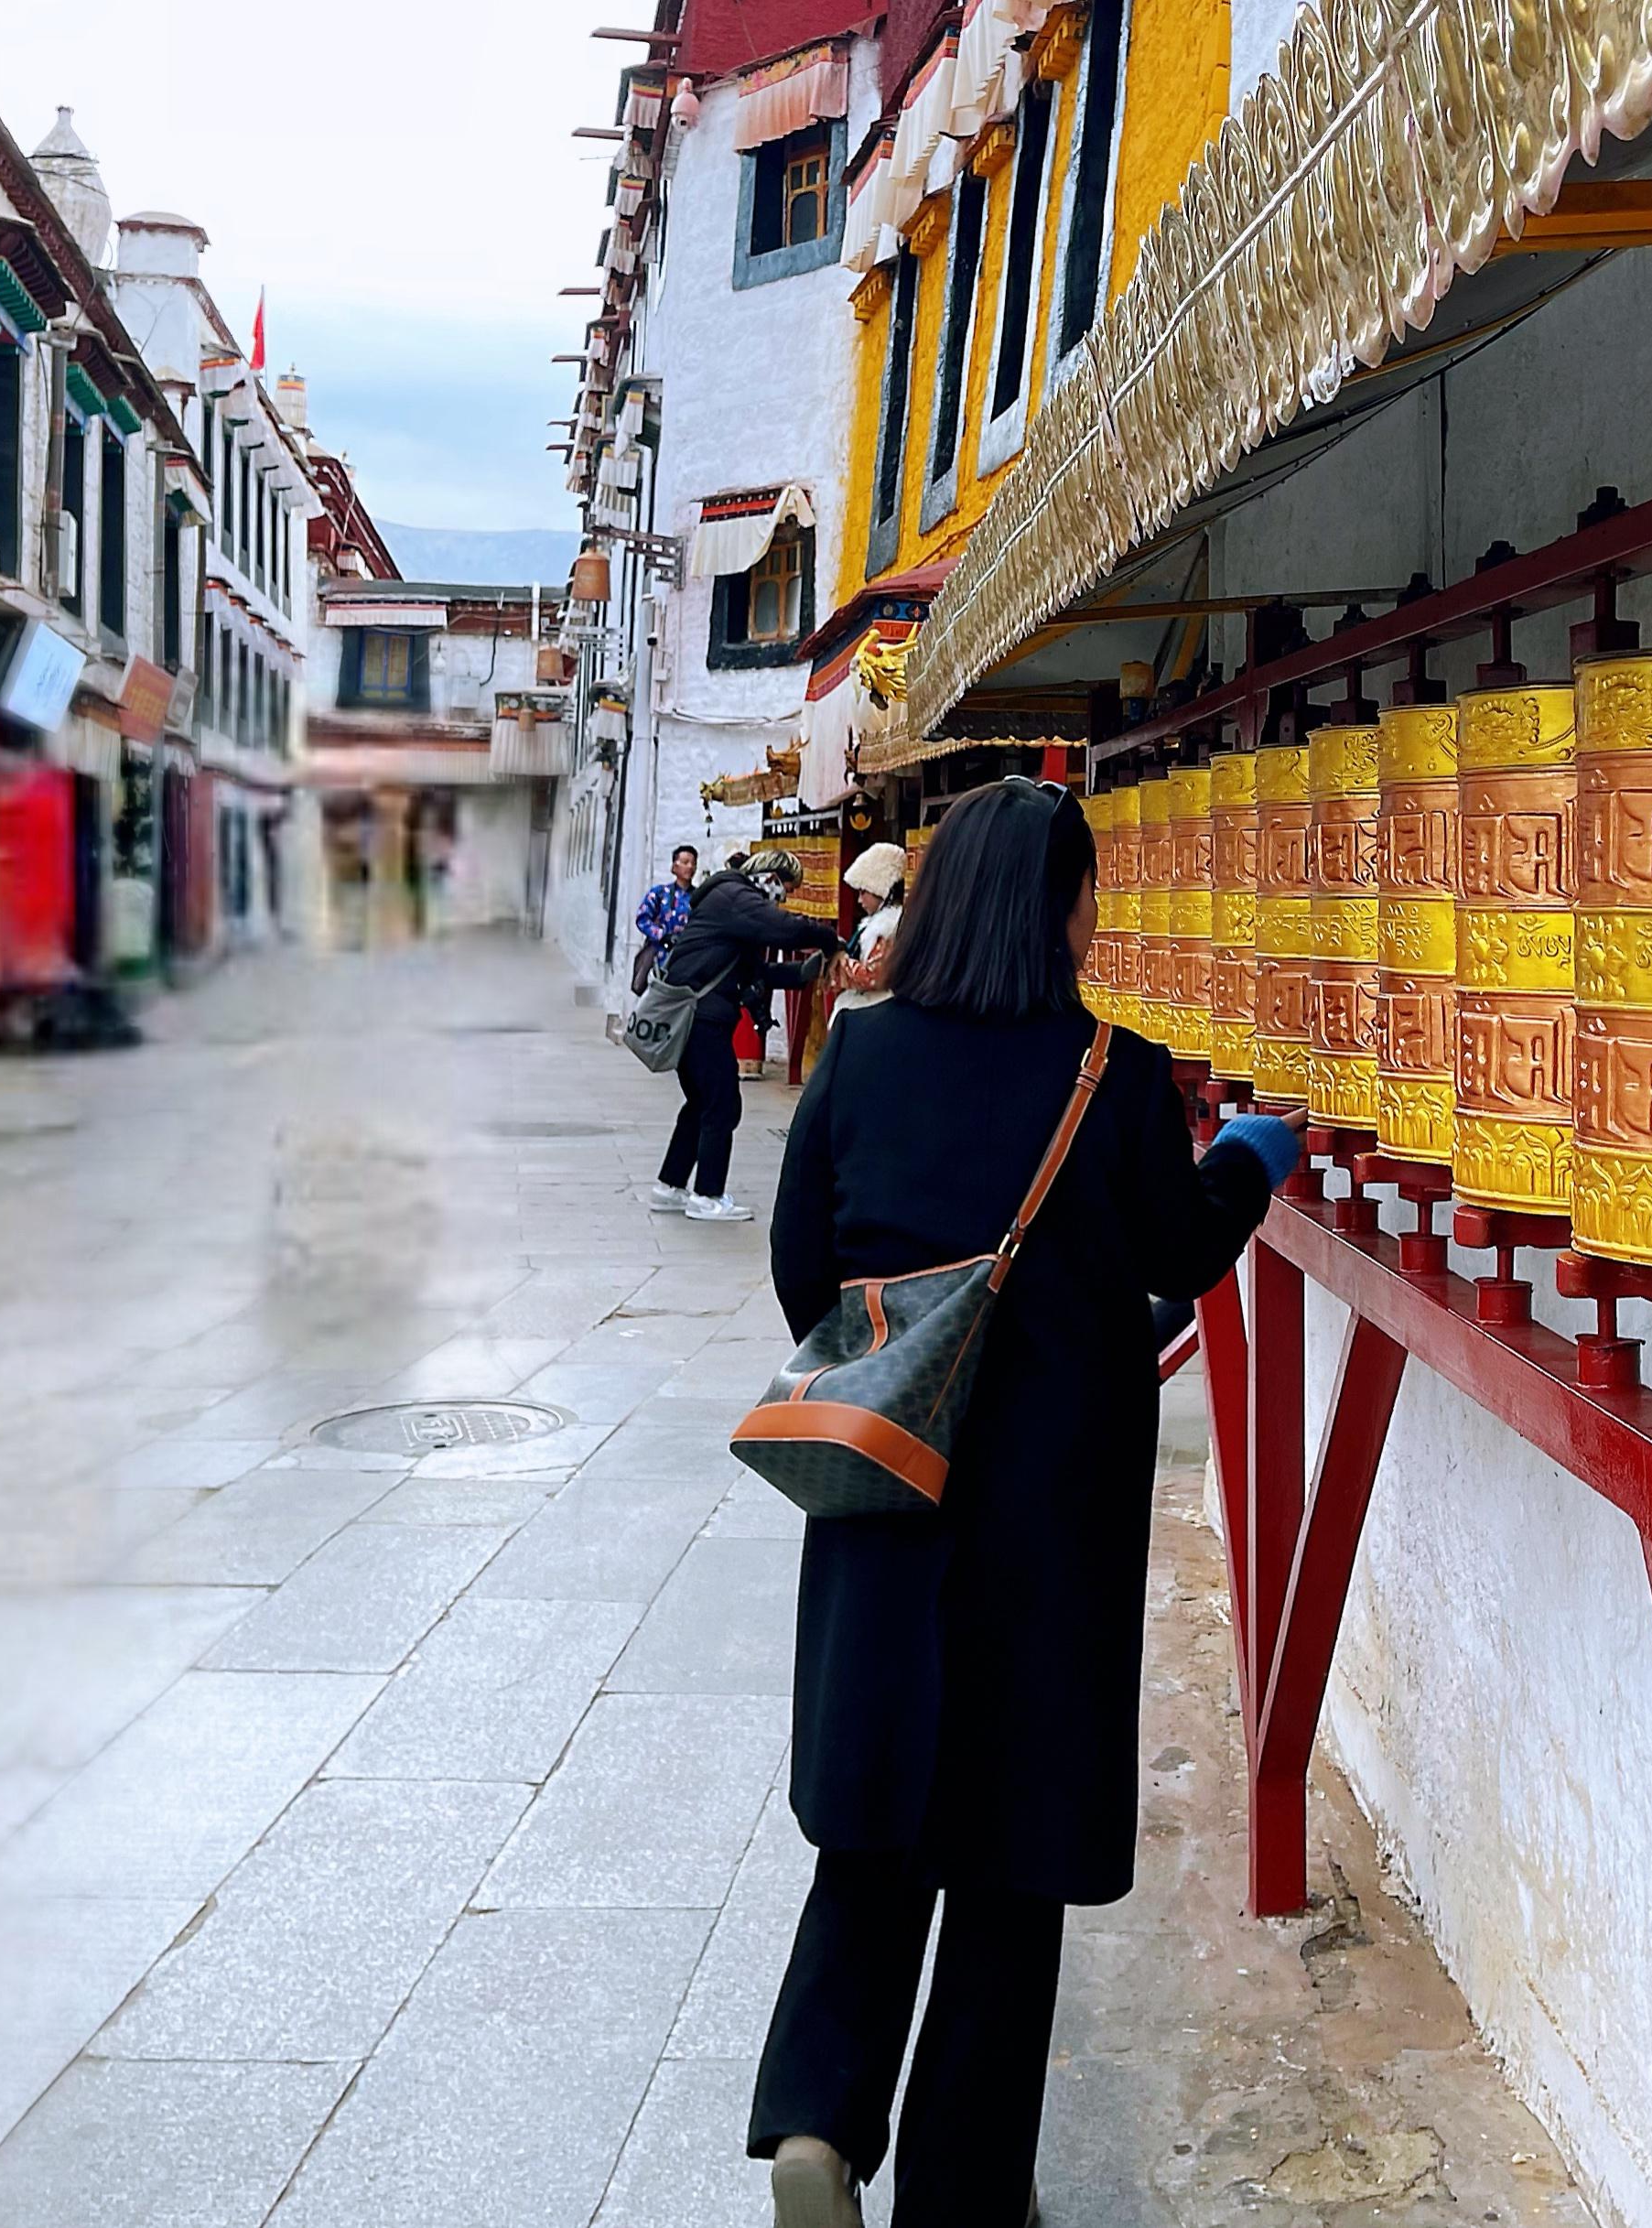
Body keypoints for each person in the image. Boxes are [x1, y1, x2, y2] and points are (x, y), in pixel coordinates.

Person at [749, 781, 1297, 2227]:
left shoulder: (857, 1055)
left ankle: (816, 2118)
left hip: (886, 1487)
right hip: (1048, 1519)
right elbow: (1177, 1251)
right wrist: (1248, 1157)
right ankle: (963, 2190)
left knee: (876, 1826)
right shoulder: (1109, 1071)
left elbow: (805, 1262)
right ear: (1061, 906)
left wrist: (908, 1358)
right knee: (1007, 1859)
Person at [647, 848, 838, 1224]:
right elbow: (785, 929)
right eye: (784, 886)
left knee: (702, 1103)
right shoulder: (734, 896)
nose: (783, 896)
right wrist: (828, 939)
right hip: (701, 1018)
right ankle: (707, 1195)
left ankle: (670, 1186)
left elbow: (754, 974)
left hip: (697, 1016)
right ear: (768, 875)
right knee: (721, 1105)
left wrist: (805, 971)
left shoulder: (732, 905)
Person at [825, 841, 909, 1016]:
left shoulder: (888, 928)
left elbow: (872, 977)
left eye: (864, 892)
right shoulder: (879, 925)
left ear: (881, 891)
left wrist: (841, 961)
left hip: (878, 1011)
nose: (859, 900)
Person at [630, 844, 697, 994]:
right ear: (674, 866)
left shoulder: (698, 897)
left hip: (686, 959)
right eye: (685, 862)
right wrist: (661, 935)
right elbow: (642, 918)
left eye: (693, 863)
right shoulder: (660, 894)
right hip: (659, 958)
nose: (690, 867)